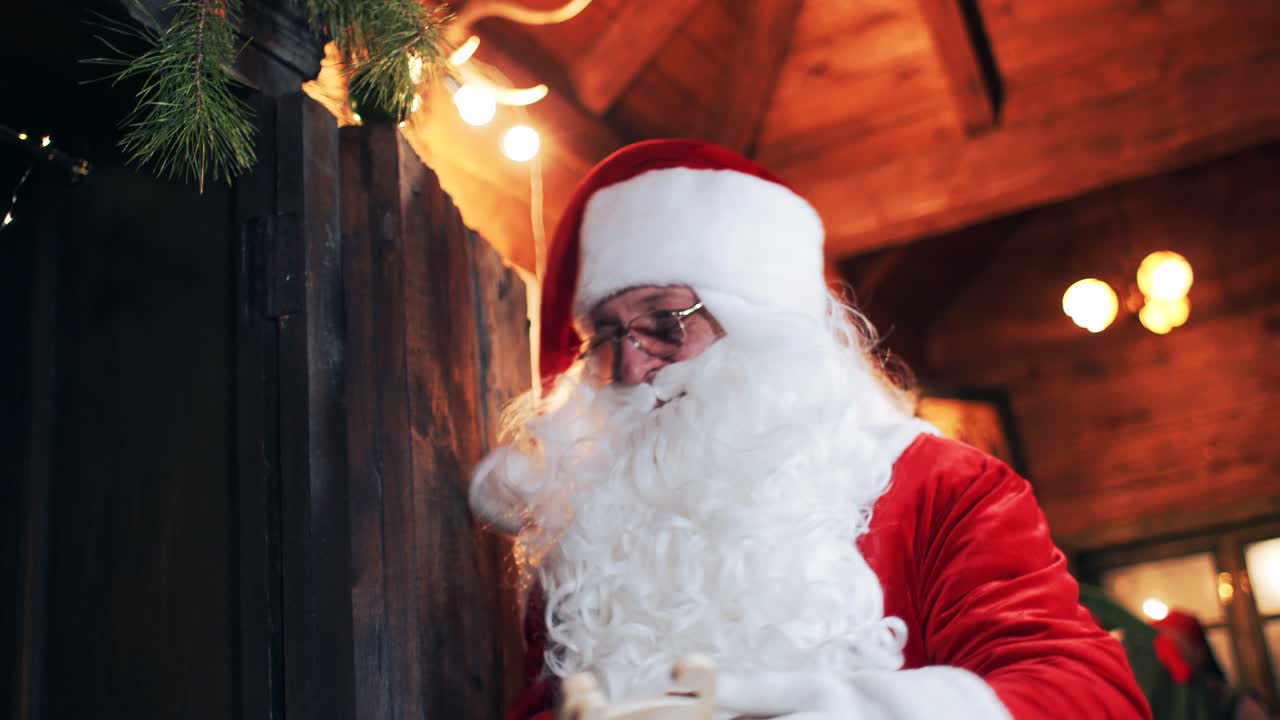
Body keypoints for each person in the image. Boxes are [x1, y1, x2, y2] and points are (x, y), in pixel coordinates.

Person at [468, 139, 1151, 720]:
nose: (630, 363)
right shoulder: (593, 543)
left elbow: (1090, 693)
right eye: (605, 336)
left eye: (664, 321)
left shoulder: (944, 488)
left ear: (761, 323)